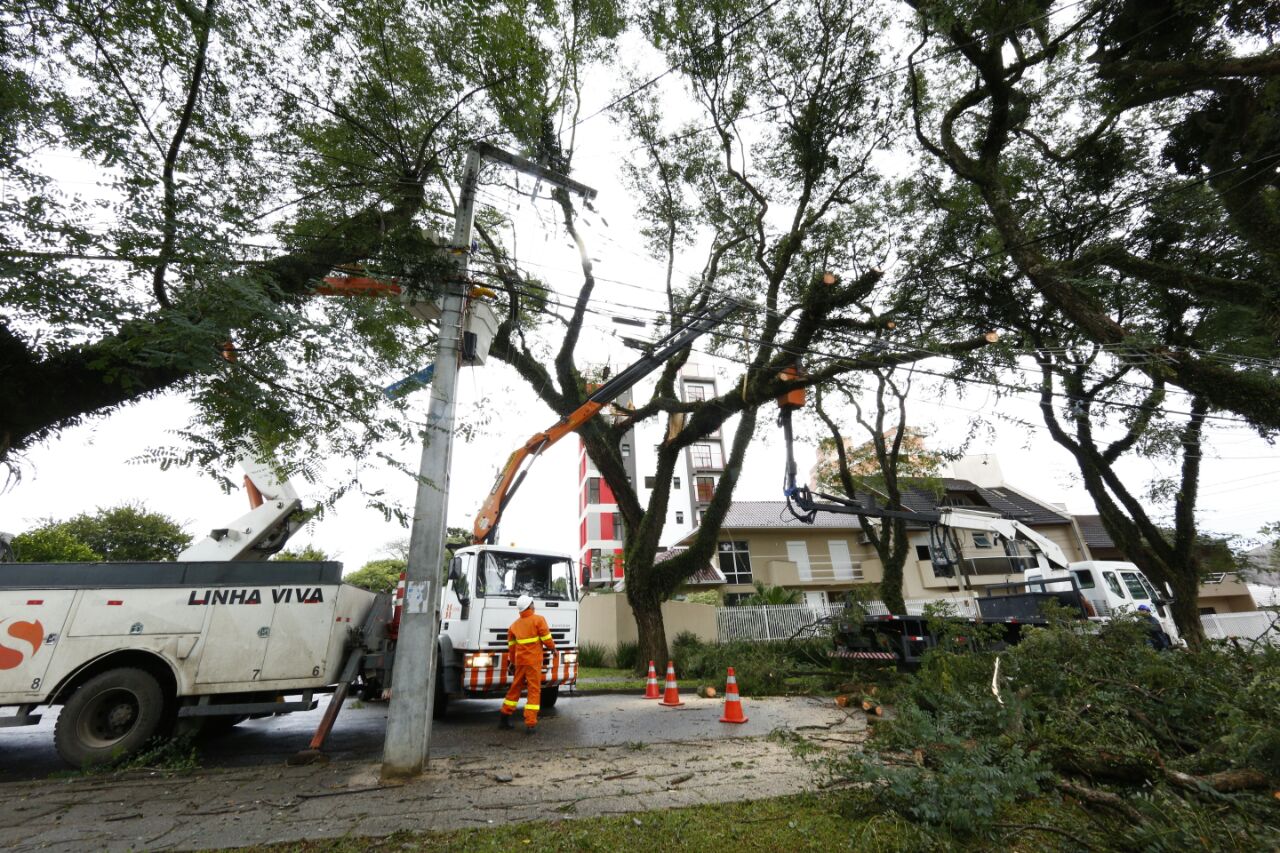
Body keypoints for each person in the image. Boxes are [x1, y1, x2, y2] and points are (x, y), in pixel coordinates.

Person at [499, 594, 556, 734]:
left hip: (520, 662)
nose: (534, 605)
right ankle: (530, 724)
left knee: (515, 687)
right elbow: (546, 638)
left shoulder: (514, 626)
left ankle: (504, 717)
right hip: (533, 662)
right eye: (533, 603)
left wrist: (512, 662)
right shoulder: (538, 620)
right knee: (534, 690)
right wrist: (553, 648)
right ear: (529, 606)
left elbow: (511, 648)